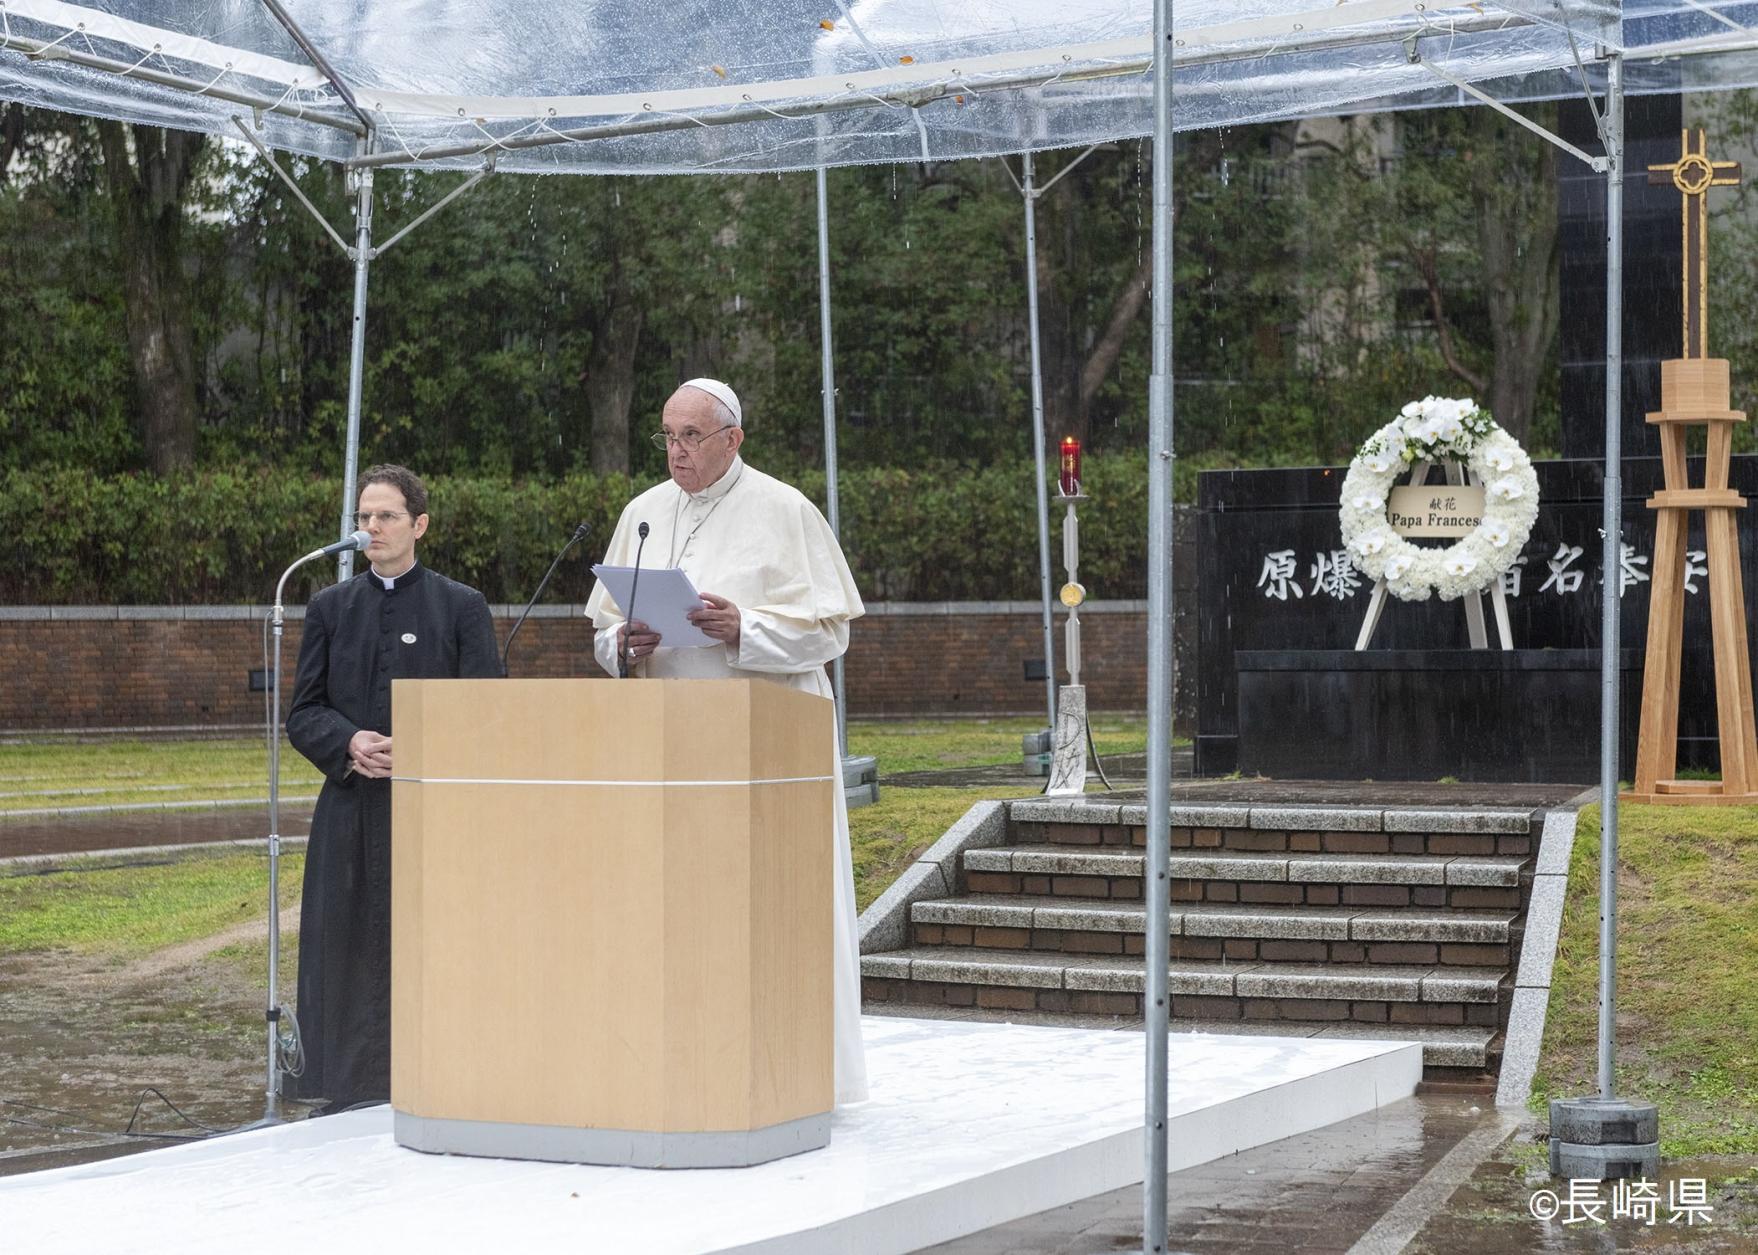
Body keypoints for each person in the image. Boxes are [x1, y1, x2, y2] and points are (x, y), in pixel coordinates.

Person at [584, 378, 869, 1104]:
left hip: (767, 741)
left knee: (773, 911)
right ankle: (677, 1068)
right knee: (674, 908)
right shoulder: (644, 513)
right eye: (668, 436)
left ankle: (797, 1076)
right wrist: (625, 641)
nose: (676, 451)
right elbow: (602, 629)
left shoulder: (785, 509)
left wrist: (744, 628)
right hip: (670, 744)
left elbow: (830, 630)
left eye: (691, 436)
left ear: (732, 439)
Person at [287, 464, 502, 1110]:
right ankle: (345, 1082)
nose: (371, 528)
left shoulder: (461, 607)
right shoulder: (329, 606)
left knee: (431, 940)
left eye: (385, 516)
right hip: (350, 807)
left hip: (431, 811)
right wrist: (348, 743)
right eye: (363, 517)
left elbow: (488, 712)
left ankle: (442, 1074)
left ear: (420, 525)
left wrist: (426, 746)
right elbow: (303, 711)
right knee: (345, 941)